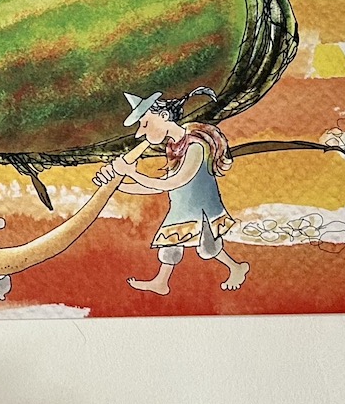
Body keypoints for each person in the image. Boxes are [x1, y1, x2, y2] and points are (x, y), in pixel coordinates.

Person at [100, 88, 250, 295]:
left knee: (207, 248)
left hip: (201, 208)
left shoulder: (196, 146)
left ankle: (236, 267)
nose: (140, 133)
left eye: (145, 124)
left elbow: (176, 181)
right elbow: (161, 183)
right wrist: (117, 186)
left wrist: (131, 173)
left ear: (163, 116)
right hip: (181, 207)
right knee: (171, 244)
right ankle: (162, 282)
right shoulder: (173, 146)